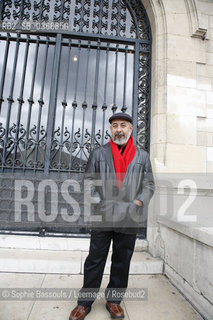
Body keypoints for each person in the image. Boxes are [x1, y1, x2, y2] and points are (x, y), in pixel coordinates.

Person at [69, 112, 155, 320]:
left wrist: (138, 202)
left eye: (123, 125)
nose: (119, 129)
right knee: (95, 259)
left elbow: (149, 184)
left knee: (122, 260)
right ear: (110, 130)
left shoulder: (142, 156)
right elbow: (89, 181)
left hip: (129, 216)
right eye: (115, 125)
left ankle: (114, 301)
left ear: (131, 129)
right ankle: (84, 303)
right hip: (103, 216)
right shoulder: (99, 153)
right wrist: (98, 203)